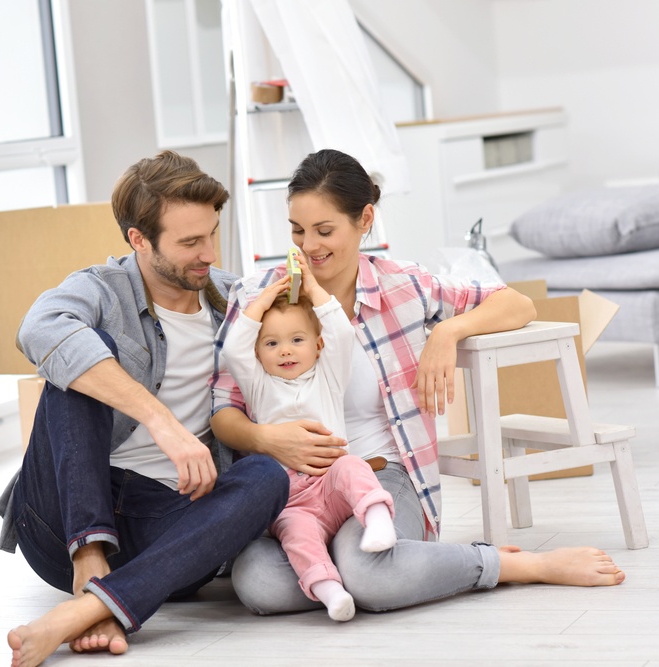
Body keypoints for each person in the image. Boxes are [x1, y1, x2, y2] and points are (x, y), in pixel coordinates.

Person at [210, 148, 626, 618]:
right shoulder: (257, 296)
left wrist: (448, 331)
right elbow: (222, 407)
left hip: (378, 475)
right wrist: (265, 438)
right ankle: (372, 570)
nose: (309, 246)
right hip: (290, 487)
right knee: (260, 584)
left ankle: (513, 565)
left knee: (367, 572)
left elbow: (517, 303)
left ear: (365, 219)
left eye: (325, 231)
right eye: (297, 230)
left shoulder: (403, 287)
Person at [0, 150, 289, 667]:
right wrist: (162, 420)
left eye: (213, 234)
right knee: (79, 357)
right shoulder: (99, 289)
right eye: (189, 242)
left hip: (169, 526)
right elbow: (38, 330)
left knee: (266, 476)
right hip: (64, 523)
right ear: (138, 239)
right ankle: (91, 557)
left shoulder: (235, 300)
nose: (208, 253)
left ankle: (86, 611)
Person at [220, 253, 396, 622]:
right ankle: (330, 592)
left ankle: (378, 518)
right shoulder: (258, 385)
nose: (285, 350)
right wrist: (263, 301)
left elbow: (341, 332)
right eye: (271, 344)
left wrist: (313, 289)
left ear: (317, 347)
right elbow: (235, 347)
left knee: (351, 465)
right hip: (290, 499)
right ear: (258, 353)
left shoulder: (329, 375)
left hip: (331, 483)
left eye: (297, 340)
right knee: (297, 536)